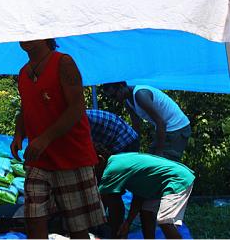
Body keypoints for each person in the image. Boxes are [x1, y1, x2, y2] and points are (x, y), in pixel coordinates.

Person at [11, 39, 104, 239]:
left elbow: (77, 109)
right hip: (39, 160)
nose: (24, 37)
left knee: (77, 226)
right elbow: (26, 108)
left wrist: (45, 138)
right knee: (34, 219)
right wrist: (18, 134)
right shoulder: (23, 73)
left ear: (45, 35)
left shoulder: (63, 63)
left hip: (71, 158)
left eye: (30, 32)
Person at [97, 150, 195, 239]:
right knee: (146, 213)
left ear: (100, 159)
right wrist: (127, 223)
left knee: (165, 221)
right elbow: (139, 195)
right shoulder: (118, 161)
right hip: (160, 184)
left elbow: (111, 205)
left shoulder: (111, 170)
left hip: (177, 179)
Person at [102, 82, 191, 161]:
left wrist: (159, 153)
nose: (114, 99)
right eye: (111, 97)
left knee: (164, 166)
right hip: (164, 129)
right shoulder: (128, 102)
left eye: (114, 95)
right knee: (151, 161)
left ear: (121, 86)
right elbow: (136, 126)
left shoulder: (140, 95)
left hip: (177, 128)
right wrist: (134, 151)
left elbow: (161, 122)